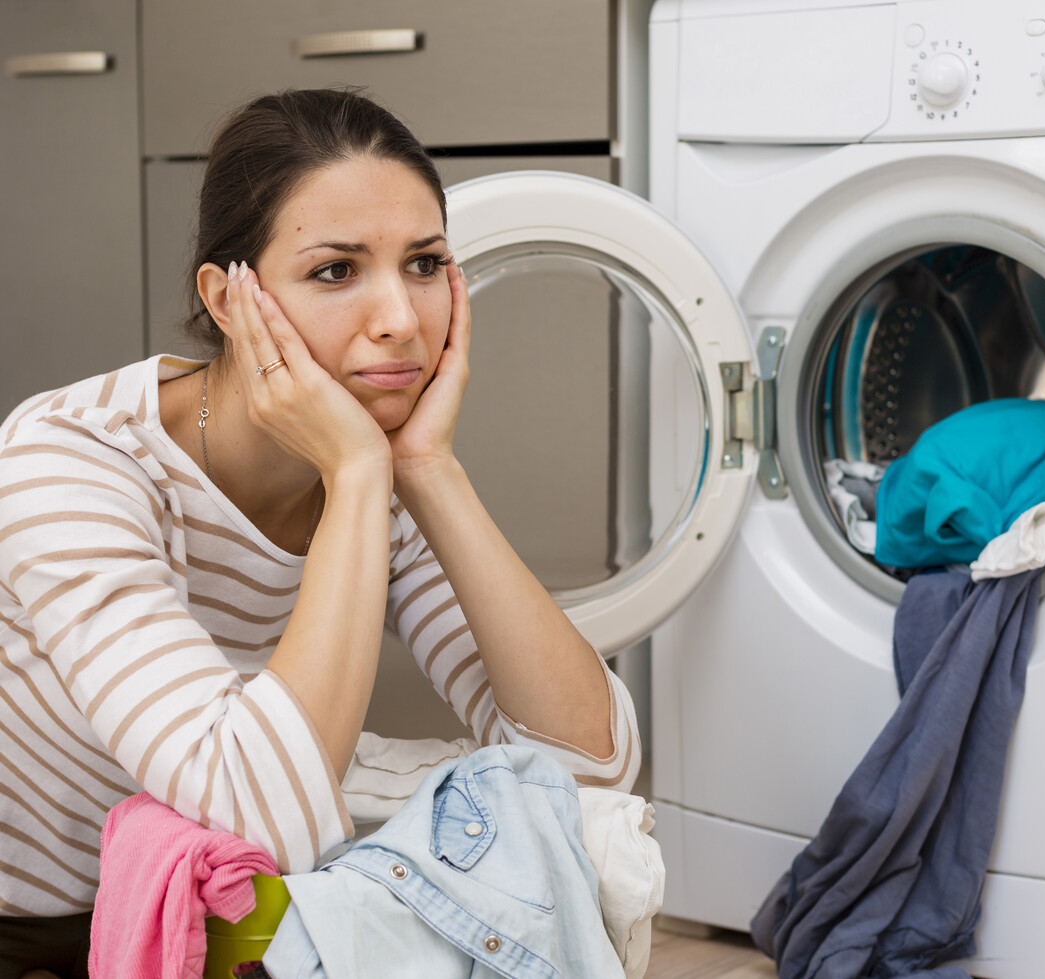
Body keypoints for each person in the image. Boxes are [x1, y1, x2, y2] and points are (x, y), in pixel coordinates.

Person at [0, 87, 640, 978]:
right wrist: (354, 473)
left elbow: (591, 768)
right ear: (229, 298)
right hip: (34, 931)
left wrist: (425, 472)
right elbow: (261, 813)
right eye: (336, 271)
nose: (402, 318)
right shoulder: (70, 459)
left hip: (221, 907)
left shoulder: (378, 466)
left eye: (424, 264)